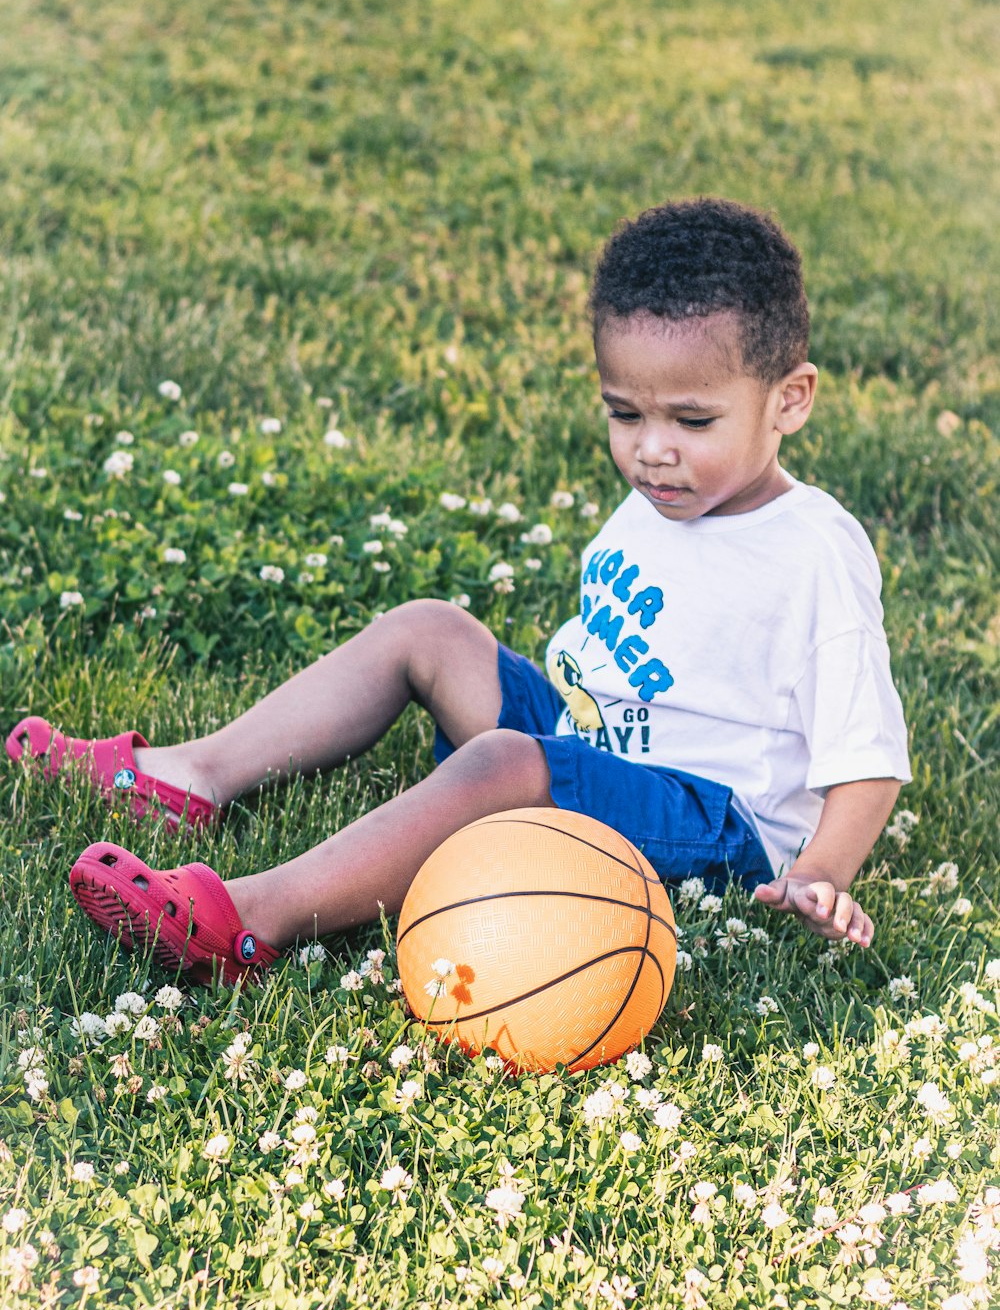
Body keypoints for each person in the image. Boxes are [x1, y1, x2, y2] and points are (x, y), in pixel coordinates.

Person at [5, 197, 911, 987]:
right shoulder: (668, 496)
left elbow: (867, 753)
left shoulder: (813, 551)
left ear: (790, 399)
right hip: (594, 745)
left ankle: (248, 918)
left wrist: (819, 873)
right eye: (624, 413)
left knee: (507, 763)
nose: (651, 450)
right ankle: (186, 776)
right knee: (430, 630)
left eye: (692, 420)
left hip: (714, 825)